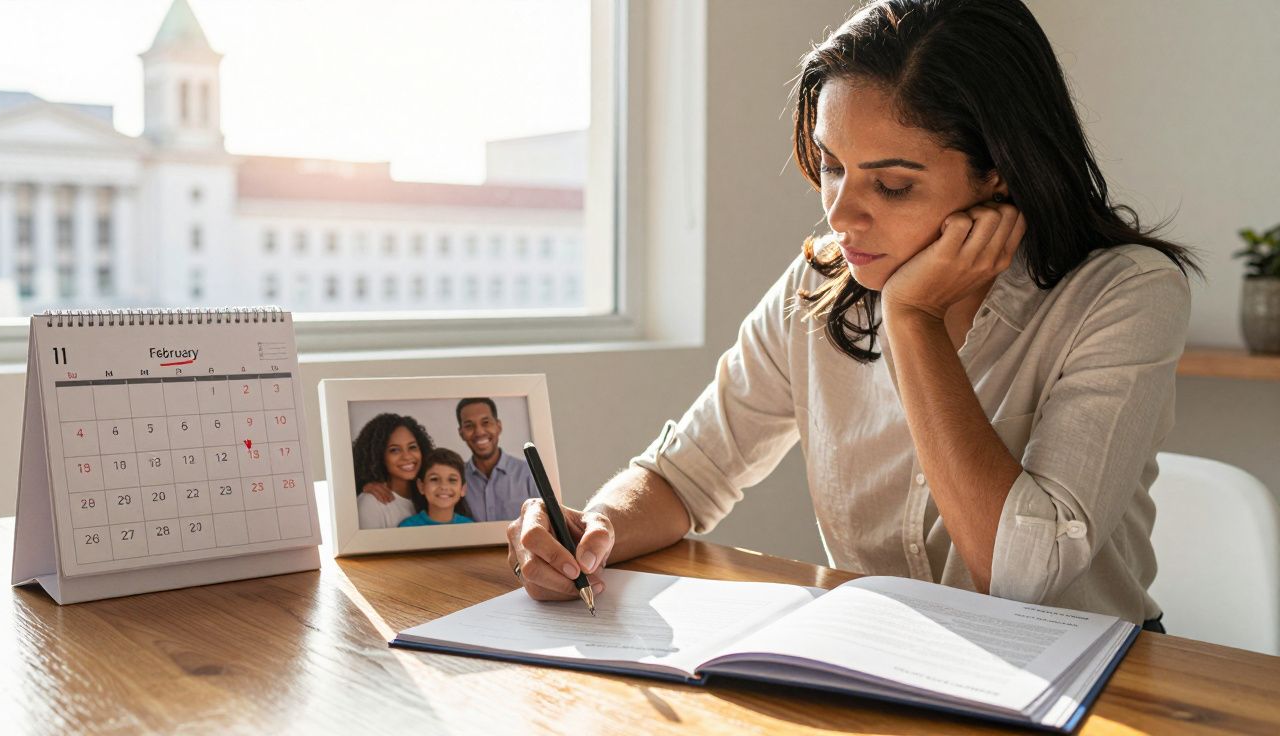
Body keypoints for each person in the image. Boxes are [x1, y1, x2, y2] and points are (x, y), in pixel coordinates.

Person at [505, 0, 1197, 633]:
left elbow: (1023, 576)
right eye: (832, 167)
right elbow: (684, 475)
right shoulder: (820, 282)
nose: (840, 215)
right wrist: (591, 531)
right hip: (887, 665)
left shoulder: (1124, 293)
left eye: (891, 185)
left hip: (1090, 682)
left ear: (999, 169)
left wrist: (913, 319)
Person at [455, 397, 539, 522]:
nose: (479, 432)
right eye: (469, 426)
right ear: (461, 433)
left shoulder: (529, 472)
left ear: (498, 426)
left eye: (486, 422)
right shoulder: (456, 477)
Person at [352, 413, 434, 529]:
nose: (407, 456)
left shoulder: (431, 496)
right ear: (378, 456)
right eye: (394, 450)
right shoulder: (371, 504)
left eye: (412, 447)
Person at [399, 448, 477, 527]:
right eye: (434, 479)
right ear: (421, 486)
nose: (444, 486)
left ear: (463, 489)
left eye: (452, 480)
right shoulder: (407, 527)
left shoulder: (470, 527)